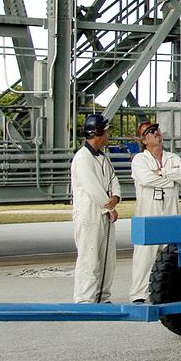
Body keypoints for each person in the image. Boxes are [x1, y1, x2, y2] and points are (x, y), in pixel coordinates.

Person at [129, 119, 181, 302]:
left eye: (156, 129)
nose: (156, 132)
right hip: (149, 215)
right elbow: (147, 179)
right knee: (144, 257)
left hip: (170, 214)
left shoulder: (172, 158)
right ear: (144, 140)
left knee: (170, 257)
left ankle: (169, 294)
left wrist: (163, 173)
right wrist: (172, 180)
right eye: (150, 131)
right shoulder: (140, 160)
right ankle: (138, 295)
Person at [71, 113, 122, 303]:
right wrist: (110, 207)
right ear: (98, 133)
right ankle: (85, 299)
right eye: (106, 132)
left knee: (108, 259)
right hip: (89, 214)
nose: (108, 136)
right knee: (89, 258)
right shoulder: (82, 158)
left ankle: (103, 296)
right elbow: (92, 187)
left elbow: (113, 179)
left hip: (104, 213)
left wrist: (116, 196)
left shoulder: (103, 157)